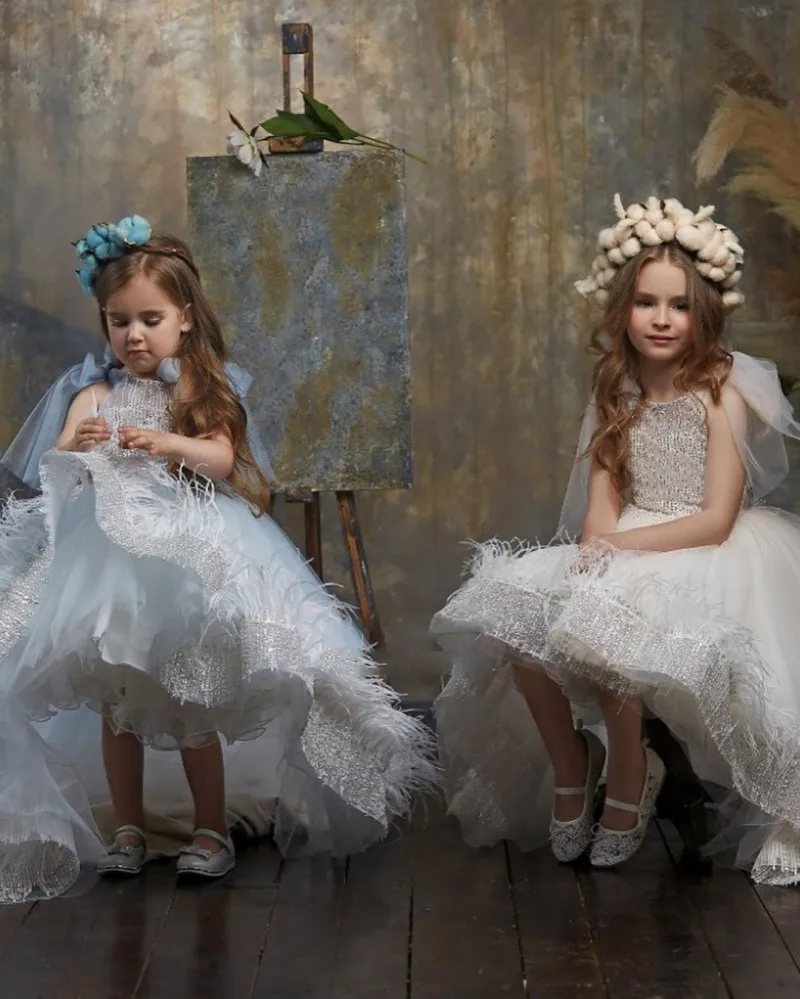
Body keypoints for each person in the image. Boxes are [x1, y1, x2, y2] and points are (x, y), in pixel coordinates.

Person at [0, 215, 434, 903]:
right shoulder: (95, 392)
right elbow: (56, 465)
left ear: (185, 320)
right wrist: (77, 445)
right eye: (119, 321)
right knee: (119, 701)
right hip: (109, 572)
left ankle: (210, 828)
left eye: (149, 318)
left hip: (184, 562)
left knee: (190, 691)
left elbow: (224, 459)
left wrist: (167, 443)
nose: (134, 335)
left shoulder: (197, 390)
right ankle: (131, 827)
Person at [431, 195, 800, 885]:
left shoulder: (722, 390)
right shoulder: (615, 389)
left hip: (704, 546)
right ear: (622, 308)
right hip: (627, 539)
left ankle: (632, 771)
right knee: (514, 611)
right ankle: (575, 765)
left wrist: (621, 553)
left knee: (613, 614)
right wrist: (600, 550)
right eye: (647, 303)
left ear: (705, 313)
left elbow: (718, 516)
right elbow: (600, 512)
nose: (662, 319)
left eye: (680, 306)